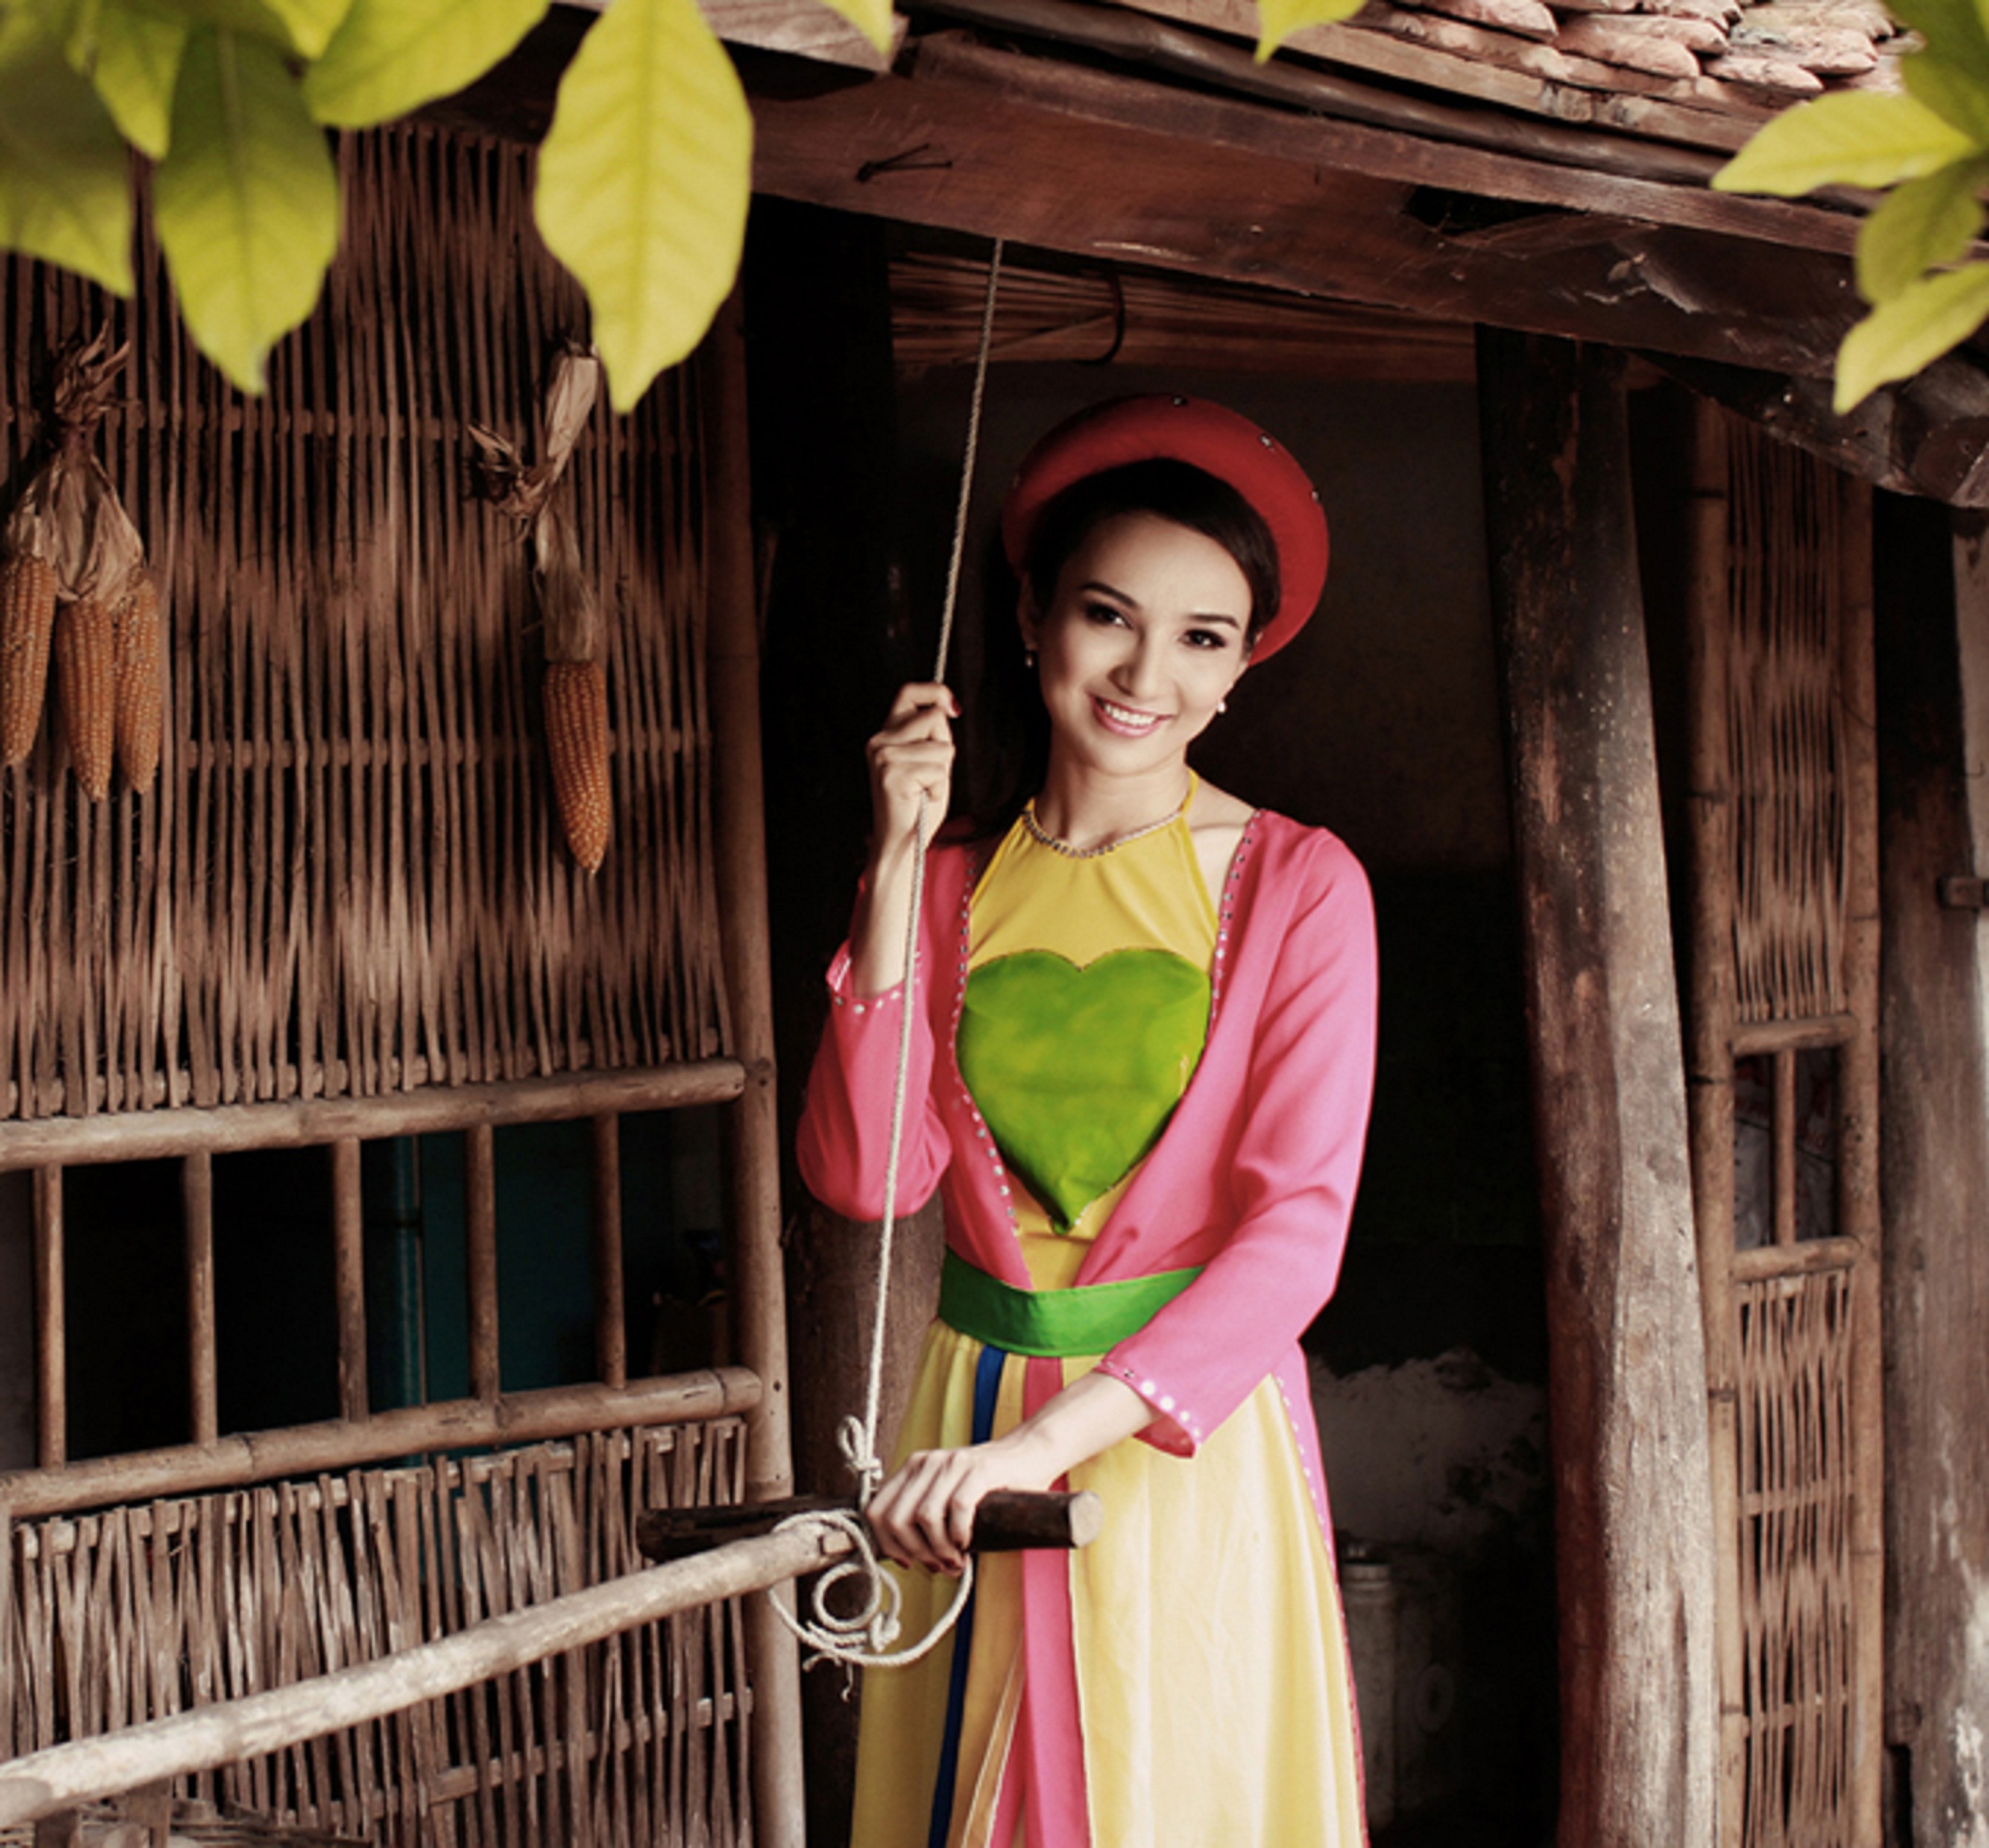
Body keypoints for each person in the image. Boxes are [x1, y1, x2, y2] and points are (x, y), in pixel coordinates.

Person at [798, 395, 1378, 1848]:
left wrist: (1042, 1446)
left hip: (1175, 1440)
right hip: (962, 1430)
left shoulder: (1301, 886)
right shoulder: (946, 884)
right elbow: (869, 1178)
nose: (1144, 674)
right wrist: (890, 867)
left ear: (1241, 667)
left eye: (1201, 637)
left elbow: (1295, 1238)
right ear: (1029, 616)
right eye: (1107, 615)